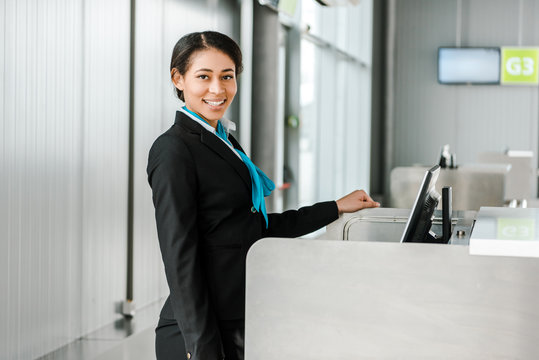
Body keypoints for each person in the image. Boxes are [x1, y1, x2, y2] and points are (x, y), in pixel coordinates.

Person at [147, 30, 380, 360]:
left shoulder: (223, 141)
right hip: (200, 332)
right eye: (204, 76)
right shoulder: (174, 150)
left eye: (227, 76)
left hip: (239, 316)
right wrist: (199, 345)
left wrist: (335, 207)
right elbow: (179, 255)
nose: (218, 89)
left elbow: (254, 229)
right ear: (178, 78)